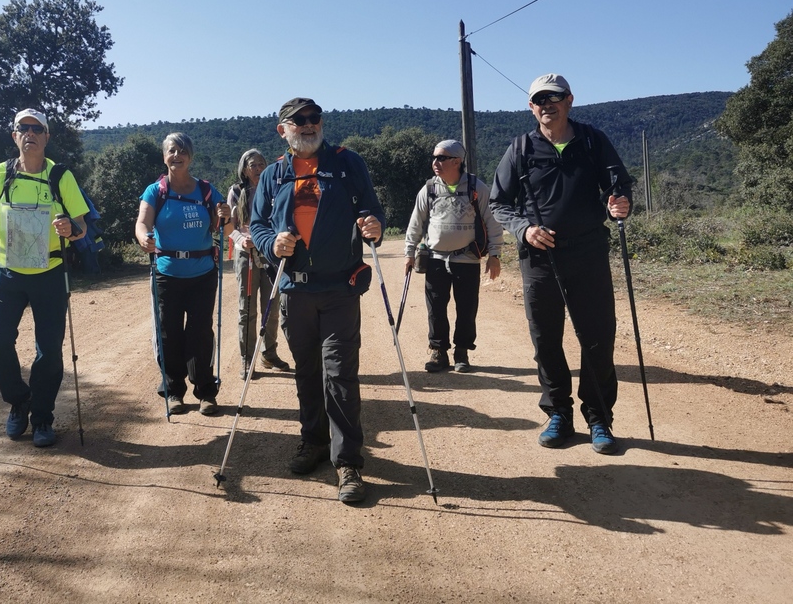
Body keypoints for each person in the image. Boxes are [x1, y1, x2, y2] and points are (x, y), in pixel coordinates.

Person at [250, 97, 385, 504]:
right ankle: (312, 441)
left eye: (315, 119)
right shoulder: (274, 174)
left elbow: (371, 210)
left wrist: (374, 225)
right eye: (299, 121)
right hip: (295, 290)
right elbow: (257, 226)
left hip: (340, 289)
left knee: (339, 374)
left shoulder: (347, 163)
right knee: (307, 372)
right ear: (283, 130)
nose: (309, 125)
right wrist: (272, 243)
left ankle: (347, 462)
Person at [489, 74, 633, 455]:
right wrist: (524, 230)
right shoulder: (520, 148)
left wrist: (619, 204)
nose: (546, 104)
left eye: (554, 97)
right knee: (546, 339)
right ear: (531, 107)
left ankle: (599, 416)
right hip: (539, 258)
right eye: (539, 99)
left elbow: (618, 188)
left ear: (569, 100)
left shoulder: (592, 141)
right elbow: (499, 203)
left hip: (588, 252)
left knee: (598, 336)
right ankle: (559, 413)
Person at [0, 108, 88, 448]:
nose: (30, 133)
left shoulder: (61, 177)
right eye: (22, 128)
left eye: (36, 128)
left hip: (50, 272)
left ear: (46, 137)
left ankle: (42, 417)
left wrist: (71, 229)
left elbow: (82, 227)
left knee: (50, 352)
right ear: (14, 136)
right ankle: (19, 401)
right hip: (6, 271)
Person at [135, 133, 232, 416]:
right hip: (167, 273)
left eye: (182, 151)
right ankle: (174, 390)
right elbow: (142, 221)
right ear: (164, 156)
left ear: (190, 156)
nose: (177, 156)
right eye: (171, 151)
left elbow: (226, 228)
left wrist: (226, 214)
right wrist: (143, 238)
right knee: (169, 333)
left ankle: (205, 392)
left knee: (200, 333)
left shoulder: (206, 190)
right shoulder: (156, 191)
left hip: (202, 273)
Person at [404, 139, 503, 373]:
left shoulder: (476, 188)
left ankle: (462, 352)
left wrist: (495, 254)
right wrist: (409, 252)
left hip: (467, 258)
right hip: (436, 259)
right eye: (434, 157)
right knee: (436, 307)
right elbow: (415, 223)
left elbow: (492, 221)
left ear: (457, 161)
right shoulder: (429, 188)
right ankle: (438, 352)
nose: (435, 163)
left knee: (467, 308)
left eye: (441, 158)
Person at [227, 149, 290, 379]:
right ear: (244, 169)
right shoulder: (236, 192)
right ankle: (247, 358)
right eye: (253, 165)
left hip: (270, 252)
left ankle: (269, 353)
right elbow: (229, 229)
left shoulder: (274, 187)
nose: (258, 168)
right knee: (248, 308)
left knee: (272, 305)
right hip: (246, 256)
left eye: (262, 164)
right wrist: (242, 240)